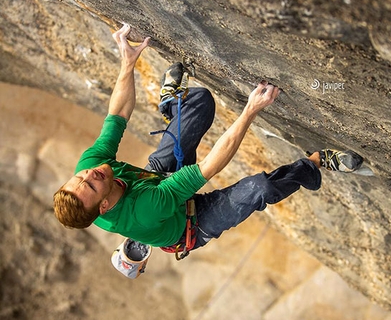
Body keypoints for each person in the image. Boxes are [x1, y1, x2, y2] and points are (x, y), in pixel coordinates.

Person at [53, 24, 363, 256]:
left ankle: (172, 104)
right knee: (260, 188)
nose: (91, 174)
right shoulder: (144, 209)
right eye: (92, 184)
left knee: (199, 102)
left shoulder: (90, 171)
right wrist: (251, 109)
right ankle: (314, 164)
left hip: (156, 180)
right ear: (104, 205)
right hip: (192, 222)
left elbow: (117, 114)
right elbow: (210, 166)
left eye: (80, 176)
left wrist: (128, 62)